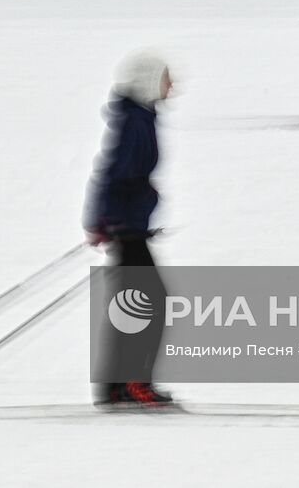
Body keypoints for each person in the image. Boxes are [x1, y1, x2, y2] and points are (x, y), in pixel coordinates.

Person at [83, 51, 174, 408]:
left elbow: (119, 176)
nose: (172, 85)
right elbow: (115, 174)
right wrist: (109, 221)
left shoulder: (139, 118)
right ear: (147, 80)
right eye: (167, 78)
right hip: (126, 230)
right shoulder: (137, 122)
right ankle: (134, 383)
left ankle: (115, 387)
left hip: (128, 227)